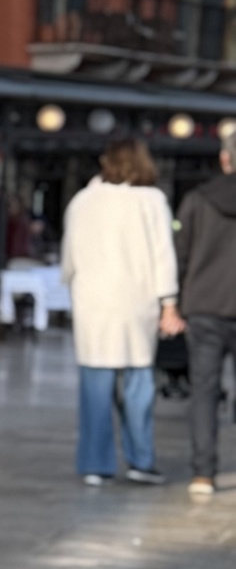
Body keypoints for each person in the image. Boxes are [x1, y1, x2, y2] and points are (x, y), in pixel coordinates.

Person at [60, 139, 180, 488]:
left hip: (93, 303)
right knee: (139, 386)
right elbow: (163, 254)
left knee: (95, 388)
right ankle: (140, 460)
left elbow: (69, 258)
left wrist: (73, 282)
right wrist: (169, 301)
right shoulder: (151, 200)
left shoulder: (82, 201)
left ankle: (95, 464)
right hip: (136, 302)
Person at [175, 136, 236, 496]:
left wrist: (173, 303)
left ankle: (203, 473)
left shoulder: (198, 200)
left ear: (225, 158)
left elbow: (180, 254)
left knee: (204, 391)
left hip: (204, 306)